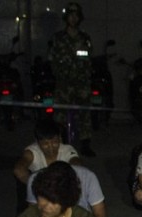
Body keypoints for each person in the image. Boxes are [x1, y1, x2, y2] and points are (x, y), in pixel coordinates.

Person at [49, 1, 94, 155]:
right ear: (66, 17)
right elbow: (52, 59)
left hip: (81, 83)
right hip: (64, 84)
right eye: (70, 15)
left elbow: (88, 60)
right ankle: (61, 144)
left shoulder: (85, 38)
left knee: (84, 114)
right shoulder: (58, 38)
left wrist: (84, 77)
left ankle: (85, 145)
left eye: (76, 15)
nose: (73, 18)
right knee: (60, 116)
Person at [27, 161, 106, 217]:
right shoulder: (35, 180)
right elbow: (33, 213)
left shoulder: (87, 177)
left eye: (53, 200)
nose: (44, 205)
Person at [13, 118, 82, 187]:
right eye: (45, 144)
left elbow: (77, 164)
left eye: (54, 142)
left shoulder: (67, 150)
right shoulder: (32, 152)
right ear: (37, 142)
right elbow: (19, 170)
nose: (50, 147)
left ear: (60, 138)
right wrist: (35, 186)